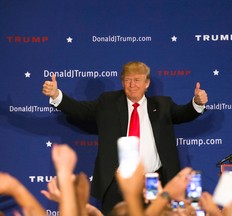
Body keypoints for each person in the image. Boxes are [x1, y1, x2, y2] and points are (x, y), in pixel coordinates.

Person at [42, 61, 208, 214]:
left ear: (147, 83)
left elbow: (183, 114)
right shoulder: (108, 103)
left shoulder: (162, 105)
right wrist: (56, 94)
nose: (132, 84)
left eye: (137, 80)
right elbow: (80, 110)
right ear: (122, 82)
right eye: (127, 80)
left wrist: (197, 103)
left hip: (152, 181)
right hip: (118, 183)